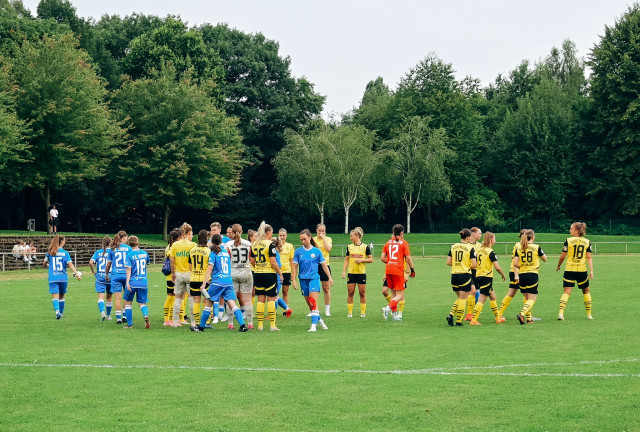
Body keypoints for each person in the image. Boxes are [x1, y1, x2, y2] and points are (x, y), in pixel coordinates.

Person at [195, 234, 247, 332]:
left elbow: (210, 268)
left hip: (218, 282)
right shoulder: (225, 252)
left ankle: (200, 327)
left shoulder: (213, 253)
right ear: (221, 242)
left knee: (208, 304)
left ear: (212, 242)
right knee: (232, 304)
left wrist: (204, 283)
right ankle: (243, 325)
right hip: (228, 281)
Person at [292, 229, 332, 332]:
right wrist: (294, 280)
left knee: (312, 301)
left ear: (309, 237)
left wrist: (330, 277)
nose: (303, 241)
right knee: (310, 305)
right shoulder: (298, 252)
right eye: (301, 239)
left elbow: (324, 265)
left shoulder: (316, 251)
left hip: (314, 278)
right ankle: (320, 320)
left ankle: (313, 326)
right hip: (303, 280)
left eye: (304, 239)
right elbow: (295, 266)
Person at [556, 222, 594, 321]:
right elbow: (589, 257)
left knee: (566, 292)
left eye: (571, 229)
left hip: (570, 269)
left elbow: (562, 256)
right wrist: (591, 270)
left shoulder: (568, 240)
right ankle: (589, 315)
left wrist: (559, 265)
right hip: (582, 270)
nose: (570, 230)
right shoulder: (587, 242)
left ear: (577, 230)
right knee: (586, 291)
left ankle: (561, 314)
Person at [249, 222, 283, 331]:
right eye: (272, 232)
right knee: (271, 299)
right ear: (268, 232)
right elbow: (273, 261)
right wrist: (280, 273)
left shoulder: (254, 244)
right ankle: (272, 325)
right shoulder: (270, 244)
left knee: (260, 299)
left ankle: (260, 325)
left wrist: (258, 266)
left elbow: (252, 260)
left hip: (258, 274)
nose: (272, 234)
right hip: (269, 274)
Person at [470, 232, 506, 325]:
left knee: (492, 296)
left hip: (478, 276)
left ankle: (498, 318)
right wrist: (502, 274)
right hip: (486, 277)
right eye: (494, 239)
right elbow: (497, 267)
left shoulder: (479, 250)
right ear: (491, 240)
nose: (495, 241)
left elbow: (475, 263)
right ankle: (474, 320)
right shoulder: (491, 252)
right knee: (482, 298)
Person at [381, 224, 415, 322]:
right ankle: (387, 308)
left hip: (388, 269)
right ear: (401, 233)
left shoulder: (388, 242)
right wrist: (412, 269)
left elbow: (382, 258)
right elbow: (408, 258)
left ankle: (395, 316)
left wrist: (390, 262)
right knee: (400, 294)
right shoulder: (403, 243)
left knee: (393, 293)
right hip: (398, 270)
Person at [43, 234, 81, 319]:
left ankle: (57, 312)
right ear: (62, 242)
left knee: (55, 297)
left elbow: (44, 263)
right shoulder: (65, 253)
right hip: (63, 278)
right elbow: (70, 264)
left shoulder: (50, 252)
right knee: (62, 297)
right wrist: (76, 273)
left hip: (53, 278)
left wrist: (50, 265)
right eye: (64, 241)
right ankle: (61, 313)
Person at [514, 229, 547, 325]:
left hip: (522, 275)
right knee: (532, 299)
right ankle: (521, 314)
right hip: (532, 274)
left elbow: (515, 263)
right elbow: (545, 259)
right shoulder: (537, 247)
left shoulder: (519, 248)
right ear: (533, 237)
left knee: (527, 298)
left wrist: (523, 265)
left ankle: (529, 319)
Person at [445, 228, 477, 327]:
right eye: (470, 236)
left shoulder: (453, 247)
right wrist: (465, 264)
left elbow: (448, 262)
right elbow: (474, 265)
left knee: (460, 298)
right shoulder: (470, 248)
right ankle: (458, 321)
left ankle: (451, 315)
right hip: (464, 275)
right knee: (463, 299)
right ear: (467, 238)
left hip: (454, 275)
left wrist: (457, 264)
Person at [226, 224, 255, 329]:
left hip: (233, 272)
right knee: (248, 300)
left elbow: (226, 259)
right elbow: (252, 260)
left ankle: (230, 323)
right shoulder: (248, 244)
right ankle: (250, 323)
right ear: (241, 232)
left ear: (232, 232)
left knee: (231, 299)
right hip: (246, 272)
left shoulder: (228, 244)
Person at [169, 223, 196, 327]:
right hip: (190, 274)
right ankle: (193, 321)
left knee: (178, 298)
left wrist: (173, 273)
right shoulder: (192, 245)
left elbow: (172, 260)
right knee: (192, 298)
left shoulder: (175, 245)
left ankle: (175, 321)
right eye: (191, 233)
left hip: (179, 273)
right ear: (189, 233)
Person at [496, 230, 526, 323]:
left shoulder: (518, 245)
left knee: (511, 294)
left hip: (514, 271)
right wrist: (517, 274)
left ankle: (499, 314)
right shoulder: (520, 245)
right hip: (518, 272)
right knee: (528, 294)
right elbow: (516, 262)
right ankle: (528, 317)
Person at [342, 227, 372, 318]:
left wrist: (362, 260)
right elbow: (347, 260)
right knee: (350, 292)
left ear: (357, 236)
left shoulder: (365, 247)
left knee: (362, 293)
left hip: (361, 273)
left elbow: (371, 259)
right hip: (351, 273)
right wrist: (344, 271)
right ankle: (349, 313)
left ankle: (362, 313)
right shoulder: (349, 247)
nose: (350, 238)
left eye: (351, 236)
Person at [123, 236, 150, 329]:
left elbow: (129, 269)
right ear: (138, 243)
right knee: (142, 303)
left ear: (129, 244)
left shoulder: (129, 255)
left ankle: (129, 325)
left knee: (128, 303)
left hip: (133, 282)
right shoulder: (145, 253)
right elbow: (148, 263)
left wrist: (127, 282)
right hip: (143, 282)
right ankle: (145, 315)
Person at [104, 231, 131, 324]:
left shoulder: (112, 248)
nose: (127, 239)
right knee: (126, 297)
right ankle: (125, 316)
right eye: (126, 237)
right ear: (123, 238)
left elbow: (108, 264)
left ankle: (118, 319)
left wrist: (106, 274)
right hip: (126, 275)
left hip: (116, 275)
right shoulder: (128, 248)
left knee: (117, 298)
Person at [209, 221, 231, 321]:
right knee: (215, 293)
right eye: (211, 230)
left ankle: (221, 313)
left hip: (224, 270)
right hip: (214, 269)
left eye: (214, 230)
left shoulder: (226, 240)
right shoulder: (209, 241)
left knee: (223, 293)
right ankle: (215, 314)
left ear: (219, 230)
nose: (212, 232)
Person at [188, 230, 210, 330]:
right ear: (206, 238)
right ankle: (206, 322)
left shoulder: (192, 250)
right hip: (205, 279)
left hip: (194, 278)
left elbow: (190, 265)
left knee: (196, 301)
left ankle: (196, 322)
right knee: (207, 301)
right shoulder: (208, 251)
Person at [89, 235, 112, 321]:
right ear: (111, 243)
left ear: (103, 243)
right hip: (110, 277)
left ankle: (102, 313)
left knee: (100, 297)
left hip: (100, 277)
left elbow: (91, 263)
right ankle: (108, 316)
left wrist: (93, 272)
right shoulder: (113, 252)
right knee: (109, 297)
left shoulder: (98, 252)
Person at [313, 224, 333, 316]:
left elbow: (328, 248)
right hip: (314, 266)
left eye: (323, 231)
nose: (321, 232)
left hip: (325, 265)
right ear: (316, 230)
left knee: (326, 288)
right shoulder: (313, 240)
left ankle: (327, 310)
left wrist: (323, 238)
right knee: (314, 289)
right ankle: (313, 309)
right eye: (319, 231)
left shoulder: (328, 239)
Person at [163, 229, 181, 326]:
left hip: (170, 276)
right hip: (173, 275)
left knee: (171, 297)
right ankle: (168, 319)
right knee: (172, 298)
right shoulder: (175, 247)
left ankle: (168, 319)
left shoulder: (169, 246)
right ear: (178, 238)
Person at [272, 237, 293, 319]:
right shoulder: (274, 252)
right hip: (275, 276)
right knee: (275, 295)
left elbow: (279, 266)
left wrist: (273, 268)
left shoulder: (275, 253)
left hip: (276, 277)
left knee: (274, 295)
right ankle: (287, 309)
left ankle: (273, 313)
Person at [466, 227, 483, 320]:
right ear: (473, 233)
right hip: (468, 271)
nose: (480, 235)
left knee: (477, 291)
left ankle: (473, 312)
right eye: (479, 233)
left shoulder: (480, 246)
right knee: (471, 291)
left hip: (478, 271)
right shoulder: (466, 245)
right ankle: (469, 313)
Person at [277, 228, 295, 311]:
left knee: (285, 291)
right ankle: (273, 310)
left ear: (286, 236)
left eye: (283, 235)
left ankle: (286, 310)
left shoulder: (290, 246)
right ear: (278, 236)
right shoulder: (275, 246)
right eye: (280, 235)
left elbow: (291, 261)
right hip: (277, 271)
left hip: (286, 271)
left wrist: (292, 273)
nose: (282, 237)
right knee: (275, 292)